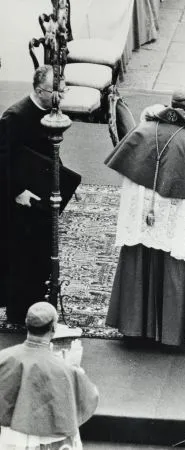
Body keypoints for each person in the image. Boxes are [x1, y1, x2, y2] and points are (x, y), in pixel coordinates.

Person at [104, 87, 185, 348]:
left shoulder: (143, 130)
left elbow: (126, 163)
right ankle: (169, 335)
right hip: (176, 213)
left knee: (138, 261)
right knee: (173, 267)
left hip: (141, 210)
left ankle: (133, 327)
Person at [0, 65, 66, 324]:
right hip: (20, 200)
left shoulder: (51, 112)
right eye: (55, 91)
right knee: (22, 256)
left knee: (41, 252)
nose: (60, 97)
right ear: (40, 90)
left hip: (41, 195)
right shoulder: (14, 117)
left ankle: (40, 306)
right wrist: (17, 192)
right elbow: (3, 162)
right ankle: (20, 312)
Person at [0, 302, 99, 450]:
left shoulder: (4, 357)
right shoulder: (65, 368)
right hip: (51, 440)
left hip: (13, 438)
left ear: (26, 324)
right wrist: (77, 372)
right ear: (54, 328)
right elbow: (90, 397)